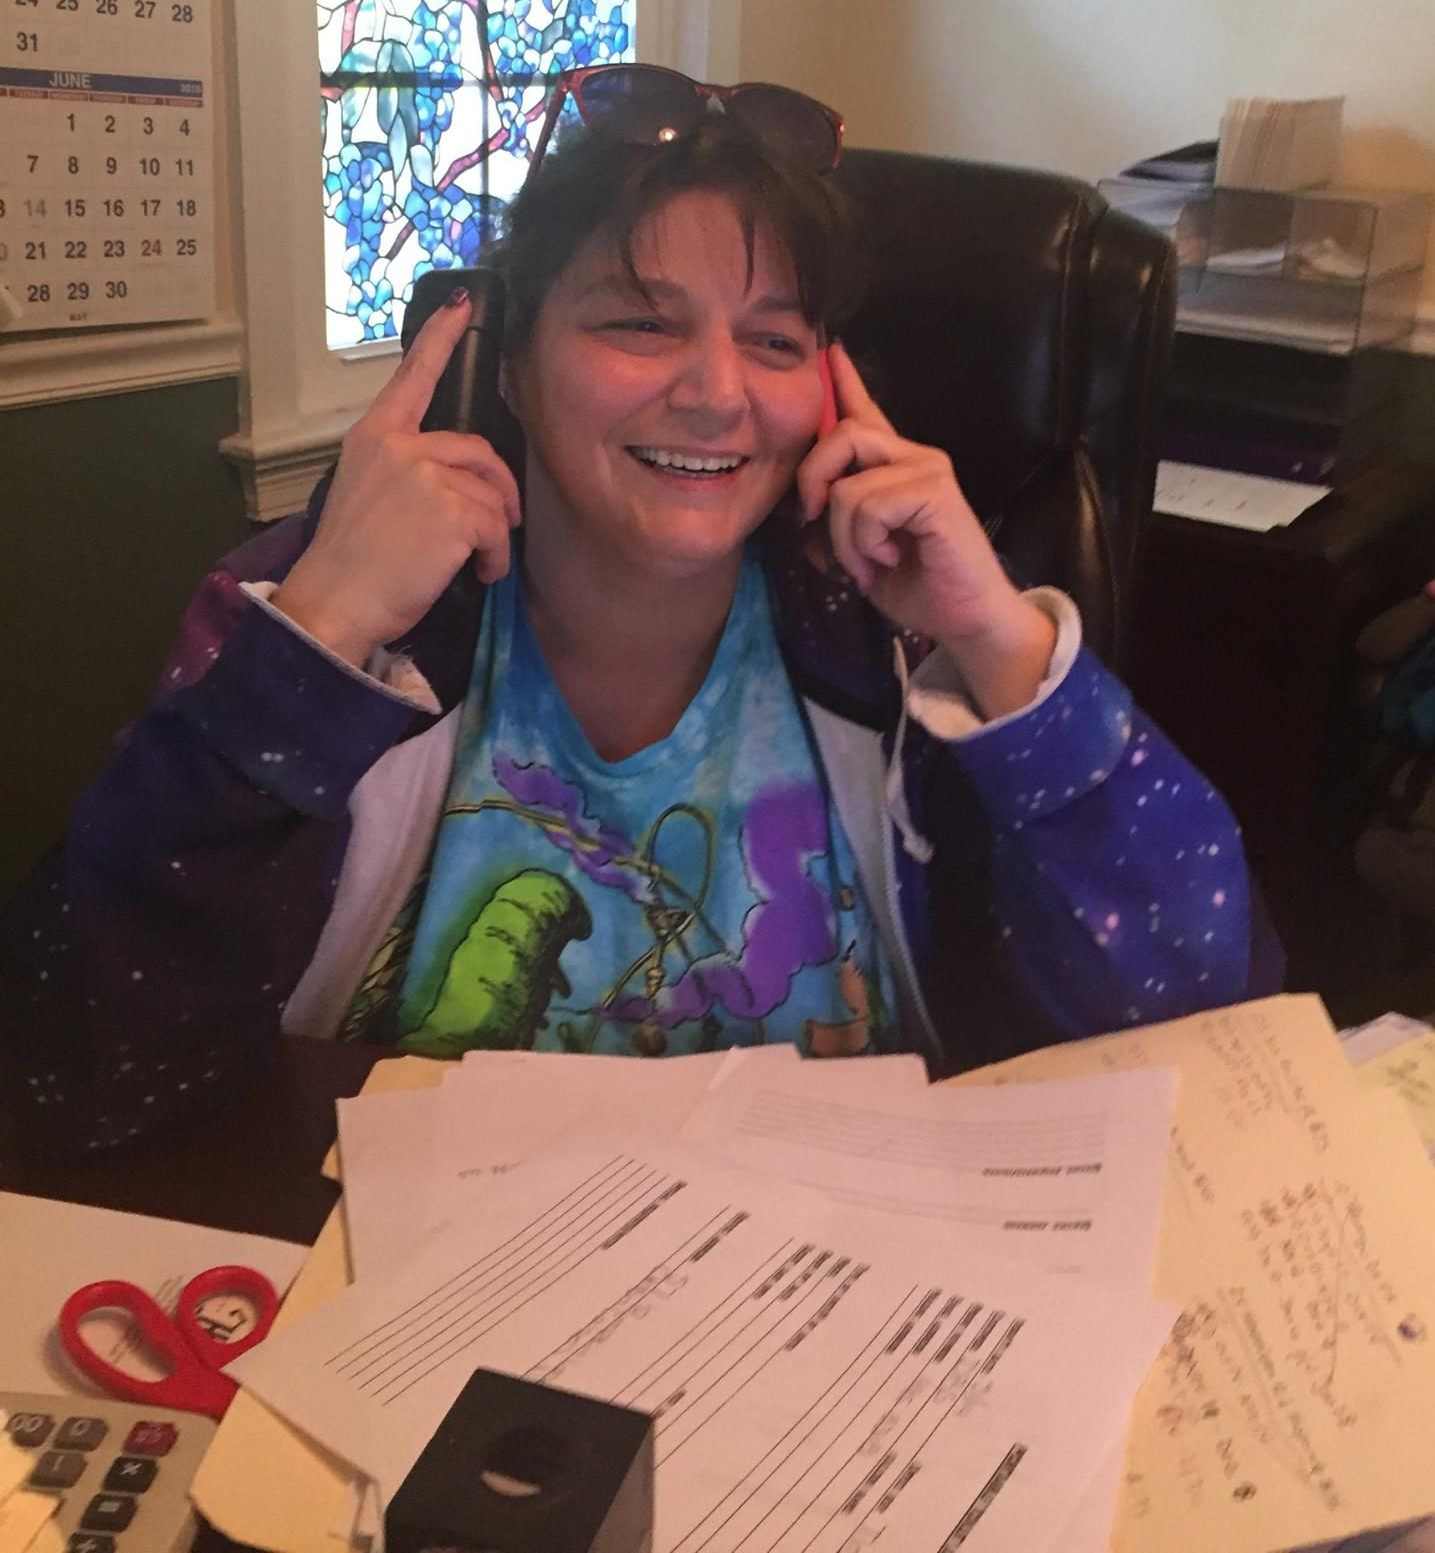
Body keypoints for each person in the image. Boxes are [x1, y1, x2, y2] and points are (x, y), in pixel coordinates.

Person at [2, 65, 1280, 1153]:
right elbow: (71, 1061)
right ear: (511, 359)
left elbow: (1201, 1028)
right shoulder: (308, 618)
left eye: (775, 341)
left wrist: (999, 643)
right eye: (636, 322)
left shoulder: (895, 655)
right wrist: (323, 632)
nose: (718, 391)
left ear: (829, 387)